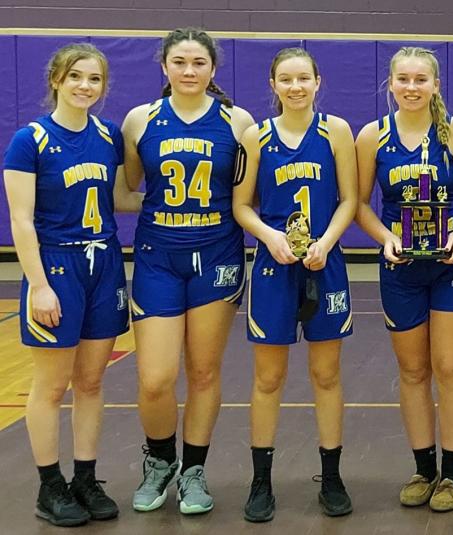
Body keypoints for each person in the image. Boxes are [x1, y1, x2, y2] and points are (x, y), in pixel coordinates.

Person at [3, 43, 142, 527]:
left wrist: (184, 200)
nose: (86, 86)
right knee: (52, 385)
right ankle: (49, 485)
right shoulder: (30, 140)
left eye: (95, 79)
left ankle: (85, 476)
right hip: (56, 265)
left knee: (91, 381)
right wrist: (38, 285)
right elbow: (21, 221)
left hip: (103, 264)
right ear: (56, 80)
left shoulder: (108, 135)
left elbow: (122, 198)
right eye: (76, 77)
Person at [121, 27, 254, 515]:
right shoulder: (141, 120)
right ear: (164, 67)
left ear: (213, 69)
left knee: (203, 371)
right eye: (180, 62)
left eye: (199, 63)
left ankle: (194, 470)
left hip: (216, 258)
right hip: (158, 257)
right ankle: (159, 462)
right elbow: (126, 189)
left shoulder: (238, 122)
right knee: (155, 377)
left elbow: (250, 195)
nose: (190, 71)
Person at [233, 47, 358, 523]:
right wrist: (269, 237)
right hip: (273, 265)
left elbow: (349, 198)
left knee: (326, 375)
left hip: (324, 262)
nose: (295, 87)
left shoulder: (336, 132)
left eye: (303, 78)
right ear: (273, 85)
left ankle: (331, 476)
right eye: (286, 79)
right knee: (268, 378)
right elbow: (241, 205)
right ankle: (260, 480)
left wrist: (326, 240)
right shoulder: (255, 136)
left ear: (318, 82)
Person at [354, 46, 453, 512]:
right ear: (391, 84)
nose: (411, 87)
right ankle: (423, 468)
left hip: (451, 265)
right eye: (403, 79)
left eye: (420, 80)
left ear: (435, 85)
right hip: (400, 267)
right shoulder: (372, 136)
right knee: (412, 370)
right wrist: (385, 237)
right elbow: (361, 203)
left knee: (449, 367)